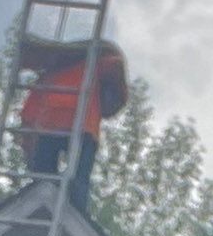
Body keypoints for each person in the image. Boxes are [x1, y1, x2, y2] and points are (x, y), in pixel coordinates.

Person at [16, 33, 129, 206]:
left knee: (43, 179)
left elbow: (28, 117)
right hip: (81, 127)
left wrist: (30, 152)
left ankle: (45, 207)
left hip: (53, 127)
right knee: (78, 182)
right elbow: (115, 64)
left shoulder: (50, 75)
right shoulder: (92, 65)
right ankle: (73, 212)